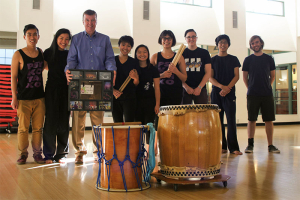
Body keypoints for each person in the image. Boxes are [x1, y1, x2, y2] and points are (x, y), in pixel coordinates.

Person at [65, 9, 117, 164]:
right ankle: (79, 151)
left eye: (93, 20)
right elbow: (72, 59)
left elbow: (109, 59)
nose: (90, 23)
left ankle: (98, 150)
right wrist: (68, 71)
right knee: (78, 119)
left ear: (96, 21)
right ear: (83, 22)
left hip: (99, 84)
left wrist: (112, 71)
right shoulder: (76, 39)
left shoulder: (105, 39)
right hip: (80, 84)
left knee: (97, 120)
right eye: (87, 20)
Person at [11, 24, 46, 164]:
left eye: (35, 34)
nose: (32, 37)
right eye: (29, 34)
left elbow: (47, 67)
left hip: (39, 98)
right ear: (25, 37)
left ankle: (37, 154)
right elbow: (13, 77)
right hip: (23, 98)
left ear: (38, 36)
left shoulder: (41, 53)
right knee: (23, 128)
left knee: (38, 128)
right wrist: (14, 97)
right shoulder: (18, 54)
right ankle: (23, 154)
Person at [242, 35, 280, 153]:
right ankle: (250, 145)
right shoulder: (248, 60)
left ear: (261, 43)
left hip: (267, 94)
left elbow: (272, 76)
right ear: (251, 46)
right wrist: (251, 88)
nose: (255, 45)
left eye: (257, 42)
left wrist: (267, 86)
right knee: (251, 119)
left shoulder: (269, 58)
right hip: (252, 94)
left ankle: (270, 145)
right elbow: (245, 78)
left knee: (269, 120)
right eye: (252, 43)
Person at [209, 34, 242, 155]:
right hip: (216, 93)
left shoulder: (233, 59)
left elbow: (236, 76)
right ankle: (221, 146)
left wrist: (227, 88)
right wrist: (221, 87)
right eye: (220, 42)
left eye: (225, 42)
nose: (223, 44)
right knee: (218, 120)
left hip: (230, 93)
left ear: (228, 44)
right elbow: (210, 77)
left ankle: (234, 148)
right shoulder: (212, 60)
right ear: (217, 45)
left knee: (231, 120)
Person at [43, 29, 72, 164]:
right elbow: (44, 68)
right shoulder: (48, 53)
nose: (64, 42)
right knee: (50, 122)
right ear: (56, 38)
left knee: (64, 122)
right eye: (61, 38)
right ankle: (48, 154)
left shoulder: (70, 54)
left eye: (67, 39)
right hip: (51, 90)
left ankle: (61, 154)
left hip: (66, 90)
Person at [150, 30, 187, 129]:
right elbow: (148, 77)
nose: (166, 40)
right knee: (160, 121)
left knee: (174, 122)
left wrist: (176, 71)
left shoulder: (179, 57)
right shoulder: (155, 57)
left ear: (172, 40)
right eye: (164, 38)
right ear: (161, 40)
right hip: (160, 93)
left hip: (176, 93)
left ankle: (173, 143)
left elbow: (184, 78)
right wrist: (161, 75)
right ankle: (159, 143)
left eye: (169, 38)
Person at [134, 44, 160, 142]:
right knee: (137, 129)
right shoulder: (133, 68)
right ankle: (138, 154)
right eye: (139, 52)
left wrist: (157, 104)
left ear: (148, 53)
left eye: (144, 51)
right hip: (136, 102)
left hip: (150, 102)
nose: (142, 54)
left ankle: (150, 154)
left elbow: (157, 88)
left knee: (149, 129)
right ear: (136, 54)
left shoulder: (153, 69)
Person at [112, 36, 139, 122]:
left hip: (129, 98)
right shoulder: (112, 60)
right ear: (119, 45)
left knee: (129, 123)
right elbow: (105, 79)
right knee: (117, 124)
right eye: (123, 45)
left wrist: (135, 78)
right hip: (115, 97)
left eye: (128, 46)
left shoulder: (134, 62)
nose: (125, 48)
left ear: (131, 48)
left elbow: (136, 83)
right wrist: (112, 91)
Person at [182, 29, 211, 104]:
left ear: (196, 38)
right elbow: (177, 73)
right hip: (185, 89)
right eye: (189, 37)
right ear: (185, 39)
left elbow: (208, 72)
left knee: (202, 114)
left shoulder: (204, 53)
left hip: (201, 88)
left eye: (193, 37)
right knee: (184, 114)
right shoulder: (181, 53)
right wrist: (186, 87)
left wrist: (199, 87)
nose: (191, 39)